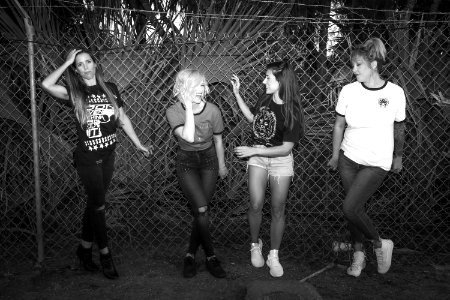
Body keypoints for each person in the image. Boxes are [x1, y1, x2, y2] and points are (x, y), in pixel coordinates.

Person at [41, 49, 151, 279]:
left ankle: (83, 249)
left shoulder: (110, 87)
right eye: (79, 64)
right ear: (76, 69)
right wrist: (67, 61)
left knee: (94, 203)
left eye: (88, 61)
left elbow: (122, 118)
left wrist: (138, 144)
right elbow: (47, 84)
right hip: (88, 159)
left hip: (108, 155)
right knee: (99, 206)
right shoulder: (74, 91)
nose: (85, 67)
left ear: (95, 64)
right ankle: (105, 254)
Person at [327, 38, 406, 277]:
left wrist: (398, 156)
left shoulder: (394, 92)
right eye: (353, 65)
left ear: (373, 64)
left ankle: (380, 244)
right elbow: (339, 125)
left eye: (358, 65)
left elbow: (400, 127)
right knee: (354, 209)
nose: (353, 70)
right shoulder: (349, 91)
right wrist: (334, 154)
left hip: (377, 162)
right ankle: (359, 255)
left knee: (350, 208)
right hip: (348, 158)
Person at [230, 61, 304, 277]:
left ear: (281, 81)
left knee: (278, 208)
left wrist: (254, 151)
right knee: (255, 204)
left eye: (268, 78)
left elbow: (286, 148)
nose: (264, 81)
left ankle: (274, 254)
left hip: (279, 160)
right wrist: (237, 94)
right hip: (258, 159)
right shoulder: (264, 99)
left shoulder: (293, 110)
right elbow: (254, 119)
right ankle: (255, 245)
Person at [166, 69, 228, 278]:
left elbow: (218, 139)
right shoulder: (173, 111)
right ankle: (211, 257)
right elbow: (189, 138)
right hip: (187, 163)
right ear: (184, 88)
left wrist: (221, 165)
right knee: (201, 208)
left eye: (203, 84)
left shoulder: (213, 110)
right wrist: (190, 109)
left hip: (209, 160)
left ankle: (190, 255)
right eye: (197, 85)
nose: (202, 89)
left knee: (201, 212)